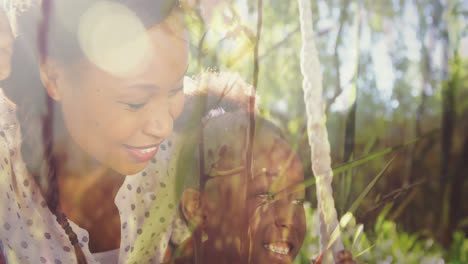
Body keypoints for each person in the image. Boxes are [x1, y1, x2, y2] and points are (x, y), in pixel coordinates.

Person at [0, 0, 192, 263]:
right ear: (55, 78)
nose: (163, 127)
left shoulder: (180, 163)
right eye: (135, 102)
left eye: (175, 88)